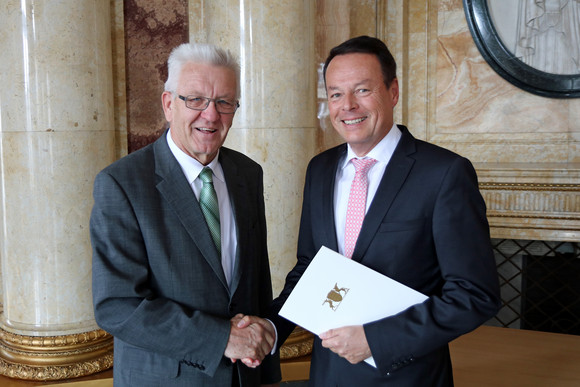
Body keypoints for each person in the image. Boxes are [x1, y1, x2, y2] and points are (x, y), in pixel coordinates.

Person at [244, 35, 501, 386]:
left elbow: (475, 294)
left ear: (392, 92)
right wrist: (272, 326)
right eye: (336, 94)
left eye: (362, 90)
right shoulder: (319, 170)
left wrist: (376, 340)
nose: (347, 105)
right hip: (328, 374)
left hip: (408, 376)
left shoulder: (444, 173)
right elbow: (311, 269)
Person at [90, 42, 280, 387]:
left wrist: (267, 374)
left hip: (244, 377)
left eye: (224, 102)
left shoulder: (247, 174)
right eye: (195, 100)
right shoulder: (121, 183)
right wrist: (220, 338)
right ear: (168, 104)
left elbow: (256, 285)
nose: (210, 115)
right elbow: (117, 305)